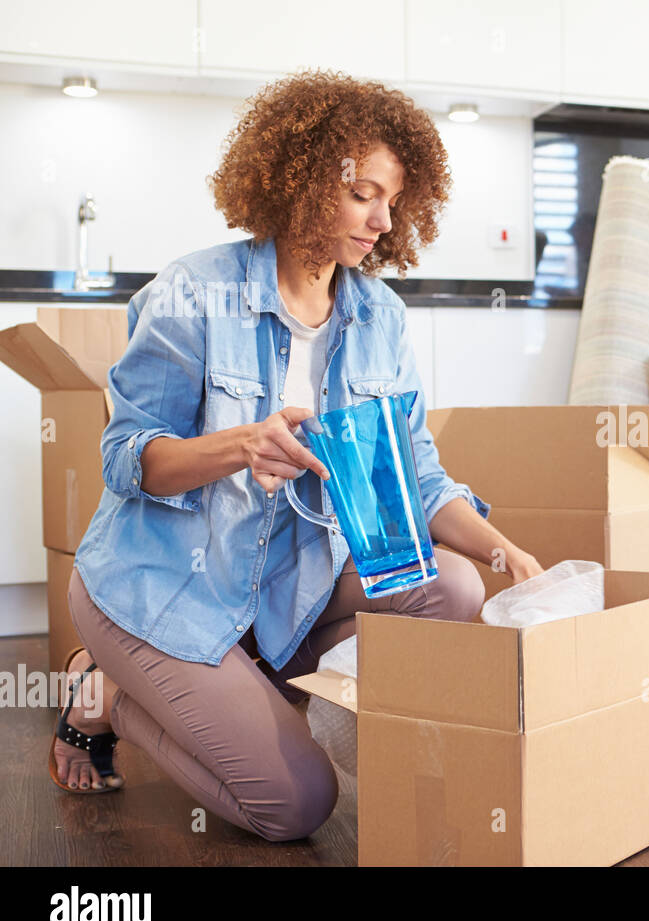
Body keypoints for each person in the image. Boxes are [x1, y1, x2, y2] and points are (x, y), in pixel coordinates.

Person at [50, 69, 544, 842]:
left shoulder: (378, 314)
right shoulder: (195, 291)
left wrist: (503, 549)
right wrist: (238, 446)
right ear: (305, 182)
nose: (383, 219)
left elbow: (415, 474)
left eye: (394, 200)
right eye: (363, 193)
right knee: (294, 806)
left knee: (453, 585)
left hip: (287, 575)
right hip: (163, 587)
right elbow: (125, 455)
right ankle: (106, 690)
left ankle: (247, 688)